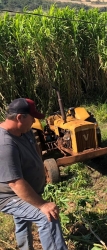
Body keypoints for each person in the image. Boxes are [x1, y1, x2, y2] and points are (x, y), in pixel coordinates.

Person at [0, 98, 68, 250]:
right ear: (20, 117)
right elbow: (15, 183)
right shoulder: (5, 144)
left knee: (22, 219)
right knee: (47, 216)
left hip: (24, 189)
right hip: (9, 196)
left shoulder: (24, 130)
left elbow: (36, 147)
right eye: (32, 117)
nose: (34, 121)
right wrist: (43, 205)